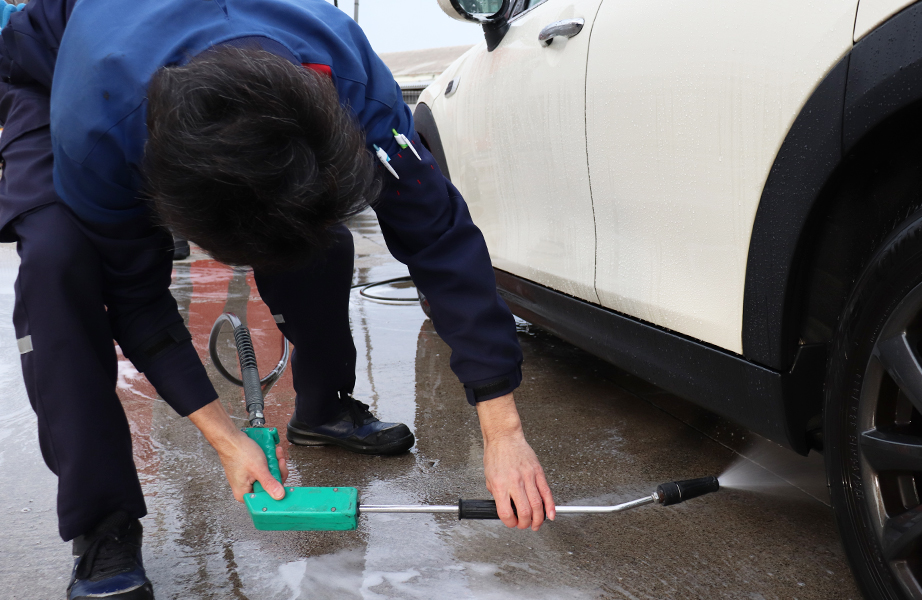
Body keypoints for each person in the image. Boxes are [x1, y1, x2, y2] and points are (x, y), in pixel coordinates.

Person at [0, 1, 555, 598]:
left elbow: (439, 234)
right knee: (60, 262)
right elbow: (136, 298)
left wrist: (502, 428)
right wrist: (224, 438)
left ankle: (324, 408)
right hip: (59, 67)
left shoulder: (354, 82)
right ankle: (102, 525)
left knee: (310, 232)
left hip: (206, 66)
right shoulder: (98, 131)